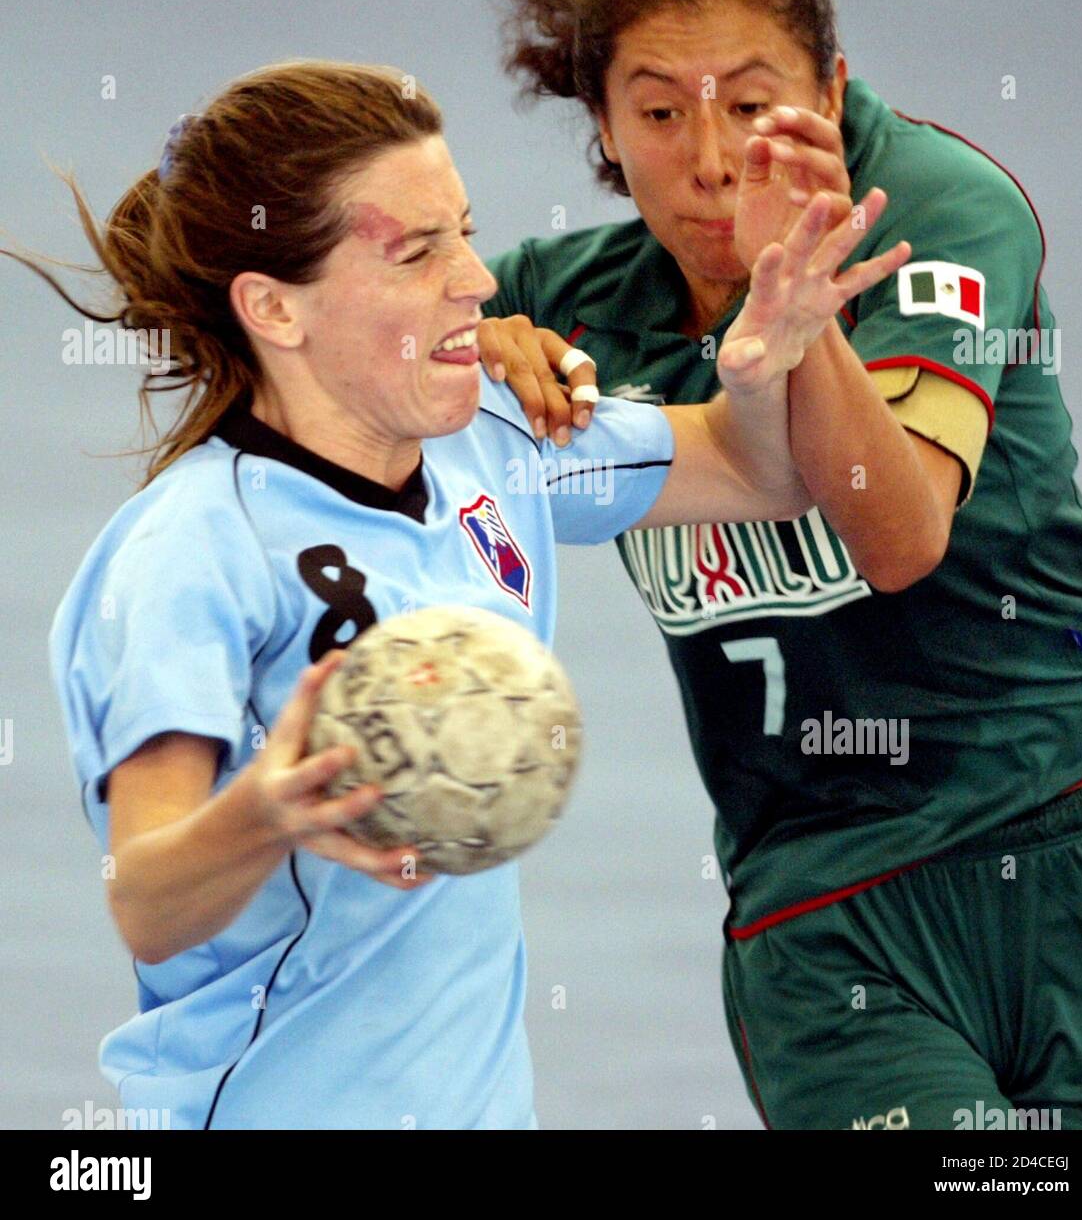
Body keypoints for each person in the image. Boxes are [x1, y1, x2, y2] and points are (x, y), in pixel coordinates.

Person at [21, 59, 898, 1130]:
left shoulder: (494, 434)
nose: (478, 280)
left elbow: (759, 471)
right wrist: (264, 813)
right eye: (417, 251)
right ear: (274, 308)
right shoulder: (192, 550)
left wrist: (765, 368)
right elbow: (147, 900)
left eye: (465, 233)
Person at [468, 0, 1082, 1129]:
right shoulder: (565, 300)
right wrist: (469, 349)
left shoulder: (936, 211)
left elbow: (901, 536)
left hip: (1076, 829)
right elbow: (311, 350)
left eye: (754, 106)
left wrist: (796, 324)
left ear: (831, 90)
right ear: (603, 125)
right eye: (660, 112)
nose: (713, 159)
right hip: (829, 914)